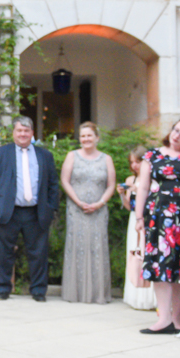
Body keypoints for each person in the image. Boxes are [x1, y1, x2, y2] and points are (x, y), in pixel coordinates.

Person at [133, 117, 180, 334]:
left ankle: (177, 319)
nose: (177, 136)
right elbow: (143, 187)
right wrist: (139, 217)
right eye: (176, 130)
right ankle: (163, 318)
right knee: (160, 264)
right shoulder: (153, 155)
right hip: (159, 214)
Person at [0, 116, 60, 301]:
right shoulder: (2, 153)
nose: (23, 134)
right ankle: (2, 289)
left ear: (32, 133)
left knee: (38, 254)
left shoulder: (45, 155)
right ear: (14, 133)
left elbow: (53, 185)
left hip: (36, 212)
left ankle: (38, 291)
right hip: (8, 211)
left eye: (26, 131)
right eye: (19, 130)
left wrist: (51, 208)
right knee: (4, 253)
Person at [59, 121, 116, 304]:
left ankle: (97, 294)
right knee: (77, 247)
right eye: (83, 136)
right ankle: (74, 293)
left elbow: (111, 185)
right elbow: (65, 181)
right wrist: (78, 201)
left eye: (89, 135)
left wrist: (100, 203)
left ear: (97, 137)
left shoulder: (106, 158)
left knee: (97, 248)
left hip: (99, 211)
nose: (86, 139)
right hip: (76, 210)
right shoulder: (72, 156)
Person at [117, 146, 157, 311]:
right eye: (132, 162)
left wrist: (140, 191)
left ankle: (152, 298)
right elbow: (128, 206)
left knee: (147, 255)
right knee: (134, 254)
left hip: (148, 219)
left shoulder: (153, 180)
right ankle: (135, 295)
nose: (134, 165)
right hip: (134, 218)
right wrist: (122, 193)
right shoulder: (130, 180)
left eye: (138, 161)